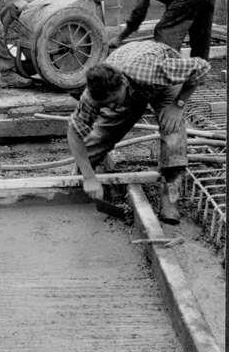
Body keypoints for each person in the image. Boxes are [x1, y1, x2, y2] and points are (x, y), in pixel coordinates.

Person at [66, 40, 209, 224]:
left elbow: (201, 67)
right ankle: (79, 181)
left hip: (162, 84)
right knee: (102, 134)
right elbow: (74, 132)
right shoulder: (92, 96)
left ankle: (170, 199)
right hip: (130, 85)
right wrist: (88, 177)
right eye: (106, 104)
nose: (111, 106)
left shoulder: (152, 71)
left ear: (122, 84)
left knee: (172, 134)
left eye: (113, 100)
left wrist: (178, 105)